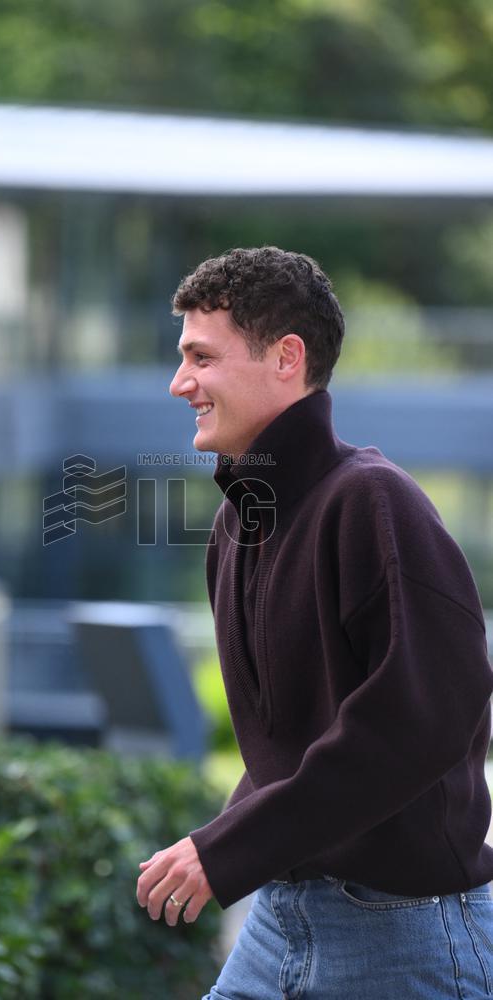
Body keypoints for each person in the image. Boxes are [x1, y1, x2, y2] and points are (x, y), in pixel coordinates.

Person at [136, 246, 493, 999]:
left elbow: (419, 723)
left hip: (404, 934)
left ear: (286, 358)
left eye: (201, 356)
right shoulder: (237, 527)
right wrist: (223, 844)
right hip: (279, 921)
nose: (180, 383)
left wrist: (231, 848)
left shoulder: (375, 504)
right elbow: (292, 750)